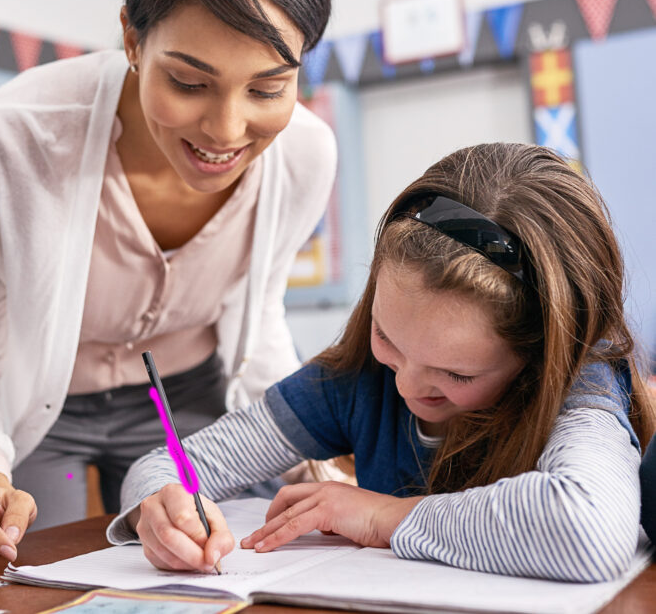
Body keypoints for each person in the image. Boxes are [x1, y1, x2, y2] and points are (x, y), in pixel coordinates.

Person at [0, 0, 337, 571]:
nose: (227, 130)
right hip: (42, 410)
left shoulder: (305, 153)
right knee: (27, 567)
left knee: (214, 564)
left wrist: (302, 447)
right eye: (190, 82)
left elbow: (259, 315)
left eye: (267, 89)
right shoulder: (12, 138)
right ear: (133, 38)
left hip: (188, 403)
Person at [110, 143, 656, 582]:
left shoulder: (581, 382)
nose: (410, 386)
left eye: (458, 375)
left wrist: (380, 517)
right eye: (388, 338)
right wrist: (161, 506)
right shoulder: (353, 382)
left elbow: (589, 530)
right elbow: (165, 466)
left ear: (541, 356)